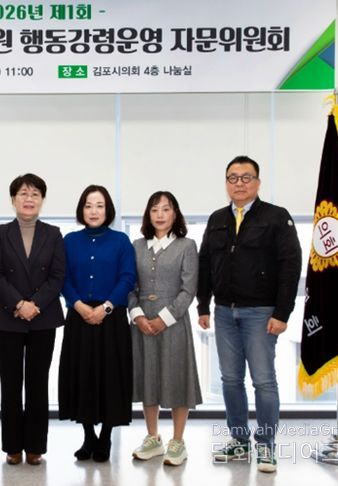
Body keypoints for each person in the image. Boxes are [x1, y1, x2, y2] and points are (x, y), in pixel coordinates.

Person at [197, 155, 301, 473]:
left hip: (261, 312)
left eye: (246, 177)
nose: (239, 183)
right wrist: (203, 305)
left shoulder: (276, 217)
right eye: (233, 177)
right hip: (224, 312)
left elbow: (291, 265)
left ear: (257, 182)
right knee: (230, 380)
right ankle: (239, 440)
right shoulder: (217, 219)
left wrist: (282, 313)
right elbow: (205, 264)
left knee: (264, 381)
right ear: (226, 183)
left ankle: (266, 444)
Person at [0, 173, 65, 466]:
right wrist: (19, 303)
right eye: (23, 193)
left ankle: (34, 446)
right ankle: (12, 447)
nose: (29, 199)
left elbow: (58, 276)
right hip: (8, 317)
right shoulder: (0, 233)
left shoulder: (53, 234)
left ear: (42, 200)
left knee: (37, 383)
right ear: (13, 199)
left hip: (43, 319)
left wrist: (35, 304)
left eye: (35, 194)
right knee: (10, 384)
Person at [58, 184, 136, 462]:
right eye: (89, 205)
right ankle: (88, 436)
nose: (94, 211)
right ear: (81, 210)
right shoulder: (69, 241)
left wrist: (105, 307)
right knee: (82, 376)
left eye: (99, 205)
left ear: (108, 210)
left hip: (111, 318)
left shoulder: (121, 241)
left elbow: (128, 277)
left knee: (110, 377)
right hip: (79, 317)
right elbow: (62, 278)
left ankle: (105, 437)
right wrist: (78, 305)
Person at [128, 191, 202, 466]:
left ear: (175, 214)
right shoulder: (136, 246)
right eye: (154, 209)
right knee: (148, 377)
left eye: (166, 209)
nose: (160, 215)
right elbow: (129, 285)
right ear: (148, 214)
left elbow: (188, 290)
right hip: (142, 323)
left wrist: (164, 318)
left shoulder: (186, 246)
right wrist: (137, 315)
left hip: (173, 323)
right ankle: (153, 438)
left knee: (177, 377)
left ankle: (178, 442)